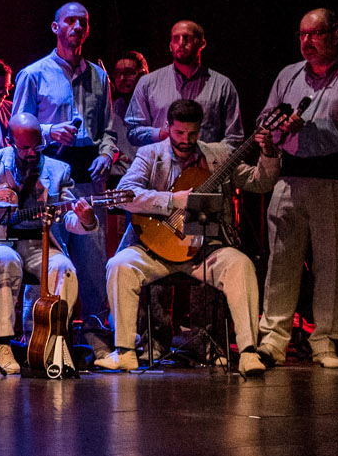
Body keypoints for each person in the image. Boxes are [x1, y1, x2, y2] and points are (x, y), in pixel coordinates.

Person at [98, 98, 276, 374]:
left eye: (192, 134)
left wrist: (269, 153)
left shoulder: (217, 155)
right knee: (119, 265)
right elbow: (126, 194)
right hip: (156, 249)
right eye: (179, 133)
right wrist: (173, 200)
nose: (186, 140)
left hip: (204, 250)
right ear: (168, 127)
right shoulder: (150, 154)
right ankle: (125, 351)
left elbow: (260, 182)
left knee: (242, 265)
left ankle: (249, 353)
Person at [252, 10, 338, 368]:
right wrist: (276, 128)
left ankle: (325, 340)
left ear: (336, 34)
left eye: (316, 34)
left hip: (337, 179)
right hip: (290, 177)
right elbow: (265, 121)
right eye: (302, 34)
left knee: (333, 263)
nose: (307, 42)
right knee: (281, 262)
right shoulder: (288, 75)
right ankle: (274, 339)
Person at [12, 3, 124, 331]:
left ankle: (93, 330)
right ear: (55, 27)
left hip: (89, 173)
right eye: (69, 21)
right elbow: (16, 127)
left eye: (83, 22)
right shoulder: (33, 74)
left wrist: (107, 153)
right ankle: (42, 331)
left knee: (91, 255)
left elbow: (109, 128)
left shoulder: (99, 76)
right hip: (47, 174)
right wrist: (48, 131)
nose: (76, 26)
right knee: (51, 252)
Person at [0, 118, 99, 376]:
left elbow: (67, 217)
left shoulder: (58, 170)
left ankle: (51, 343)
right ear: (10, 142)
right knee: (5, 260)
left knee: (64, 269)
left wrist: (86, 219)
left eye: (36, 147)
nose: (31, 153)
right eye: (24, 148)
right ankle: (2, 344)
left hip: (40, 241)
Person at [125, 20, 244, 148]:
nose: (181, 43)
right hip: (162, 165)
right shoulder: (147, 83)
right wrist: (161, 133)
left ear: (202, 43)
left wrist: (211, 158)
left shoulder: (222, 85)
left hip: (206, 166)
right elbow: (133, 131)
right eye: (176, 38)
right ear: (170, 45)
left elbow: (234, 138)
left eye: (187, 38)